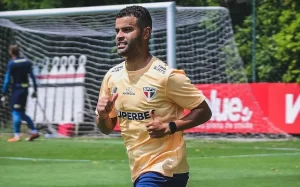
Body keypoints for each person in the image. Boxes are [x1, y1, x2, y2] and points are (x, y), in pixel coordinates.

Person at [95, 5, 212, 187]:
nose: (119, 36)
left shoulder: (166, 76)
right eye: (117, 31)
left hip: (167, 167)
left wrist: (169, 127)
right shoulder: (112, 77)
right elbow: (106, 128)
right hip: (139, 170)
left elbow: (204, 111)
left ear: (145, 33)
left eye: (127, 30)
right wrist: (102, 116)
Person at [1, 44, 39, 142]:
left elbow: (7, 79)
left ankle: (17, 135)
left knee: (15, 112)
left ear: (11, 52)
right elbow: (33, 77)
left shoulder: (12, 63)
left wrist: (3, 93)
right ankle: (34, 132)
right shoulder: (27, 62)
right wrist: (35, 90)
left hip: (17, 90)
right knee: (21, 112)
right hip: (25, 89)